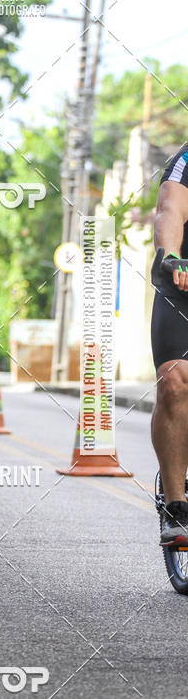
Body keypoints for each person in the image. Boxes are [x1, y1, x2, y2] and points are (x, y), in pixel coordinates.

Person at [151, 143, 188, 547]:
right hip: (182, 284)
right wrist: (174, 256)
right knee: (176, 381)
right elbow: (171, 210)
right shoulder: (187, 159)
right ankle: (176, 506)